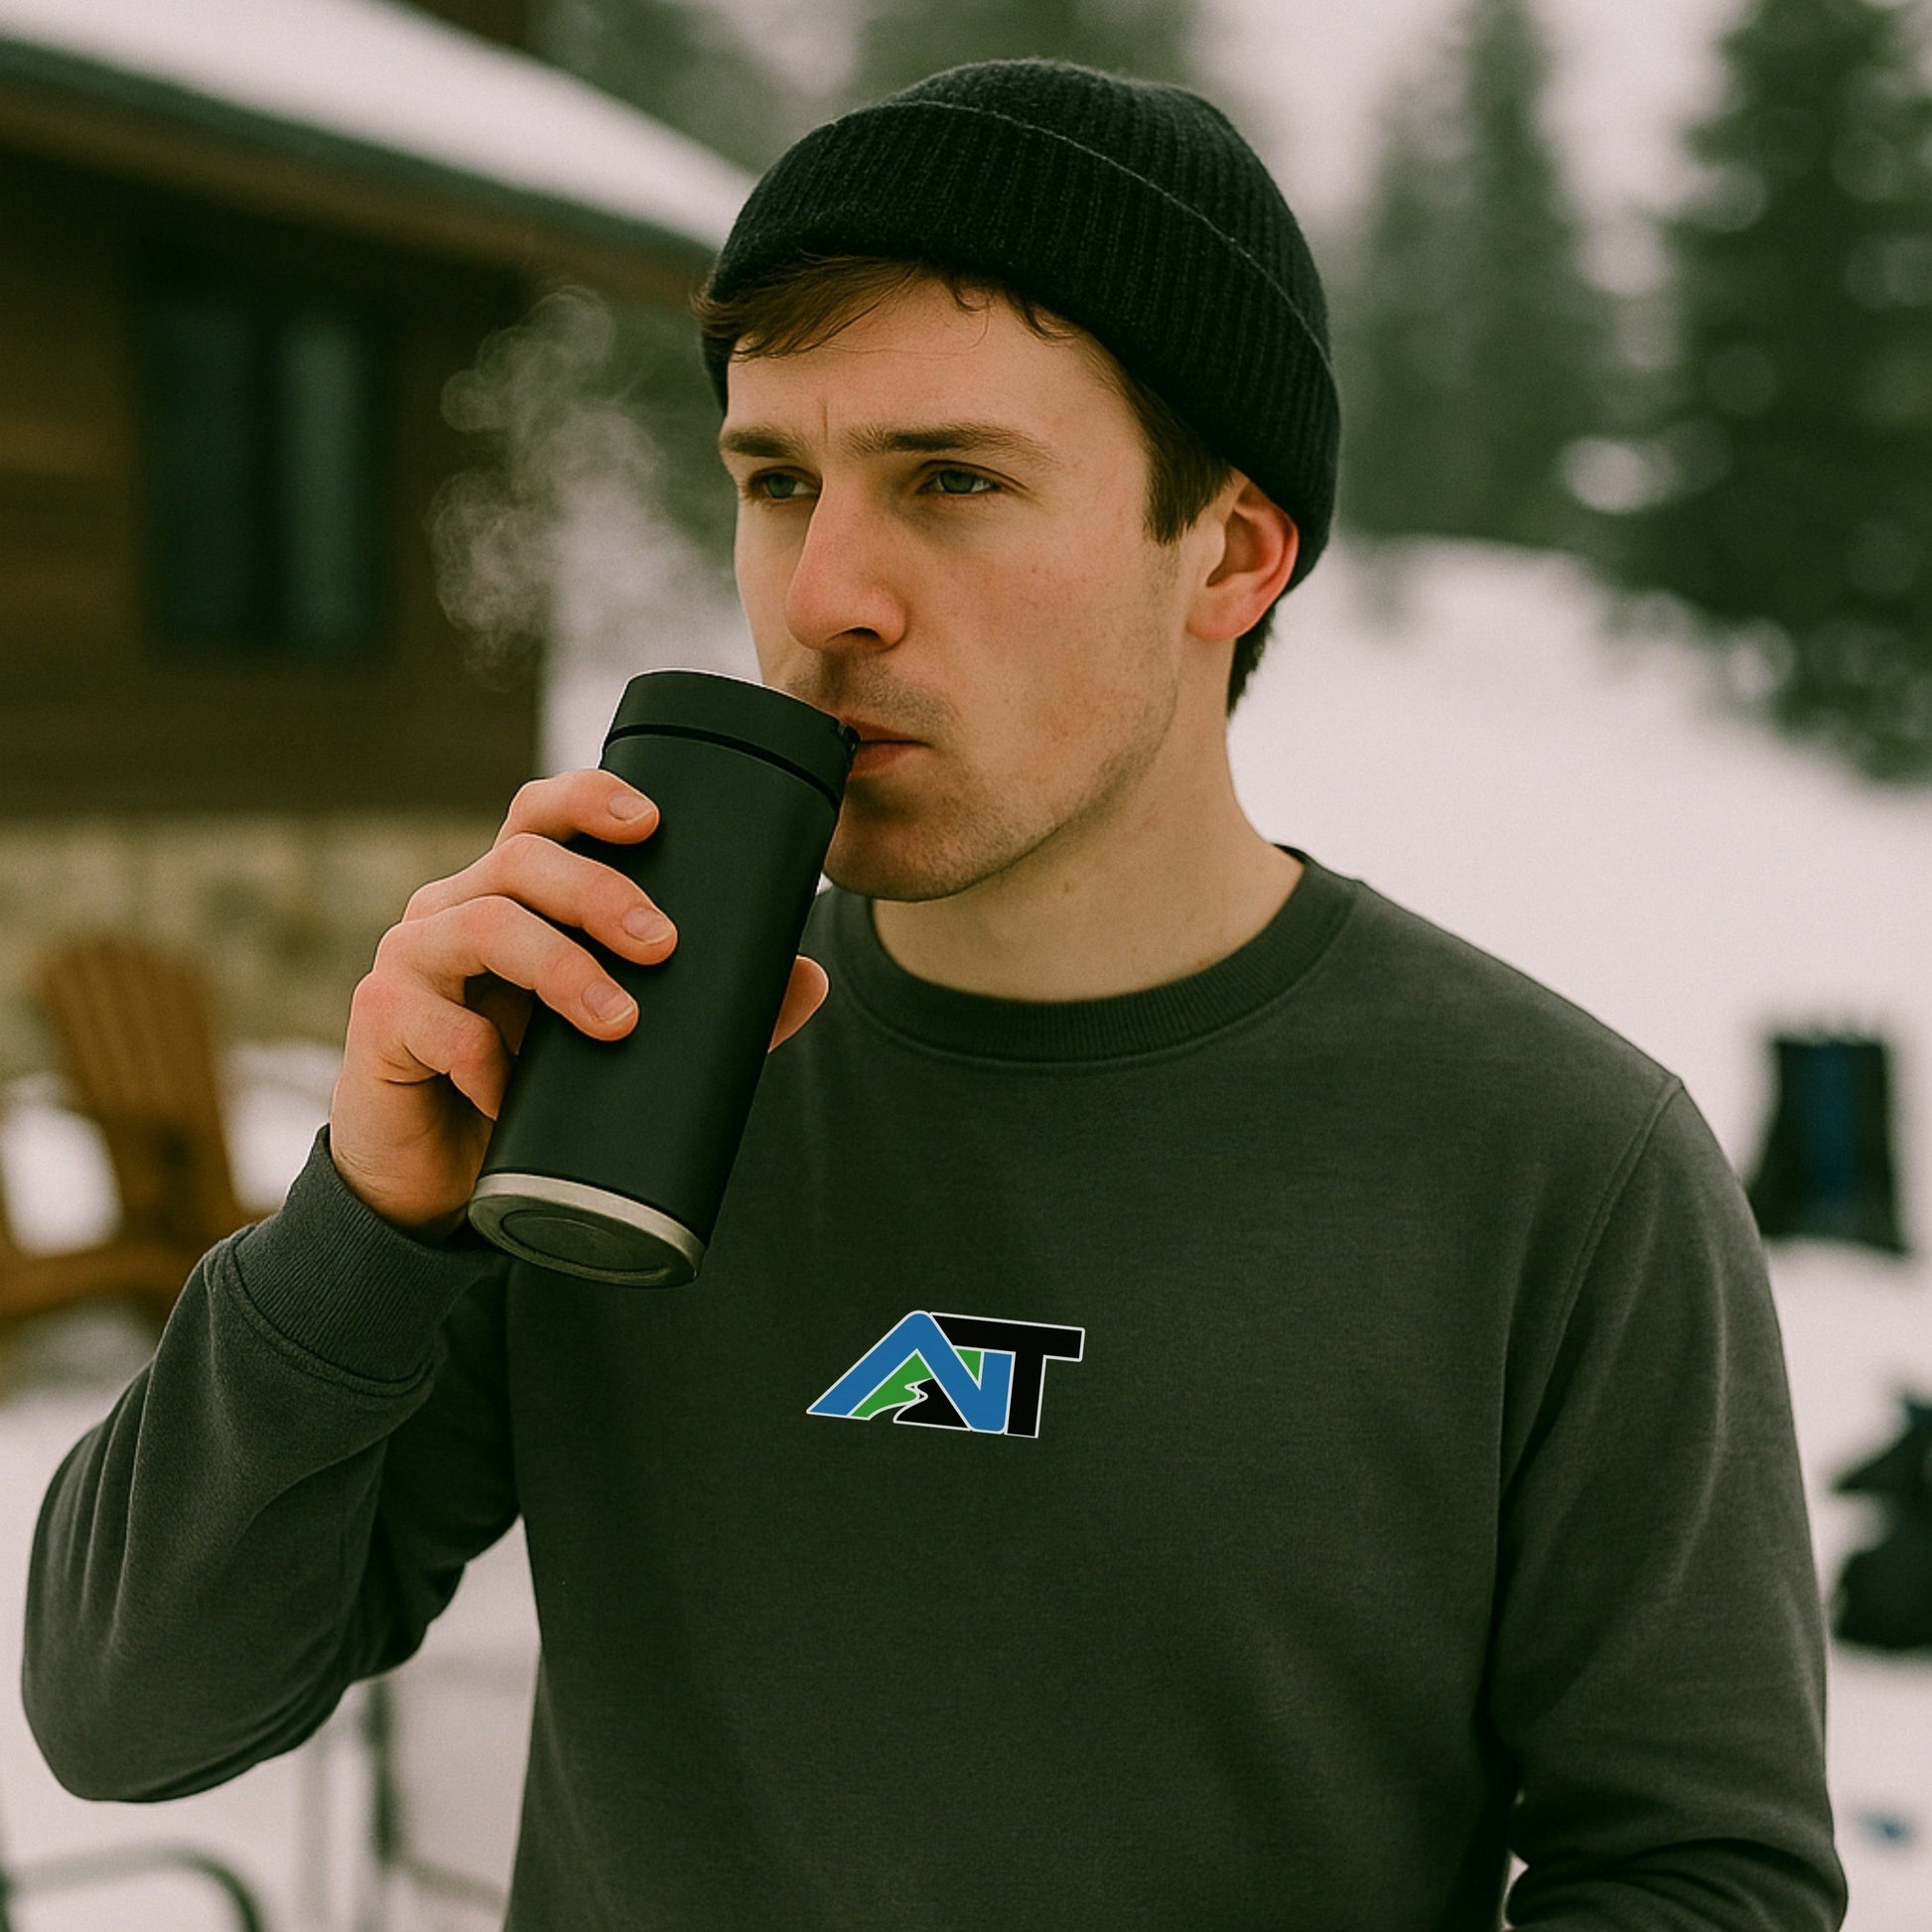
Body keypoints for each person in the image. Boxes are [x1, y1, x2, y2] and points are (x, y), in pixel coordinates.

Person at [23, 57, 1847, 1930]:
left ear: (1231, 547)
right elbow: (122, 1713)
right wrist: (367, 1217)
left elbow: (1702, 1875)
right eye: (776, 479)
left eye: (952, 481)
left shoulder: (1549, 1160)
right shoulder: (627, 1063)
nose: (827, 594)